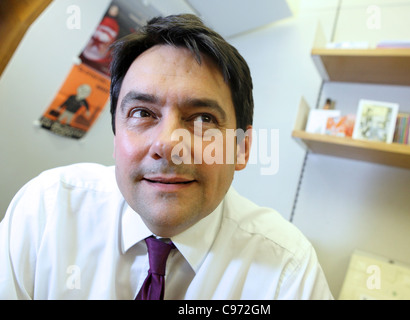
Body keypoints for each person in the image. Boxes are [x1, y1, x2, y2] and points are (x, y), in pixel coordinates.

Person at [0, 14, 333, 300]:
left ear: (241, 149)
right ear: (117, 135)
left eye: (203, 118)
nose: (169, 144)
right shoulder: (46, 211)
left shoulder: (287, 270)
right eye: (143, 112)